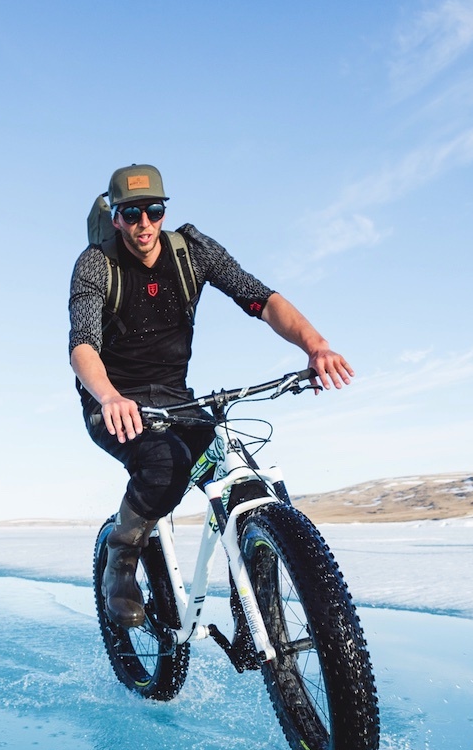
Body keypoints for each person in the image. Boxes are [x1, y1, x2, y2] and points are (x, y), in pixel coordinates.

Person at [71, 164, 352, 627]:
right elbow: (82, 343)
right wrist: (109, 397)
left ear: (164, 211)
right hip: (113, 401)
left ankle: (257, 605)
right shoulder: (95, 263)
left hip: (177, 399)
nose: (144, 223)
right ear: (116, 218)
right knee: (165, 466)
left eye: (153, 211)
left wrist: (315, 345)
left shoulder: (192, 251)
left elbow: (261, 299)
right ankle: (121, 557)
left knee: (241, 477)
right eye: (131, 213)